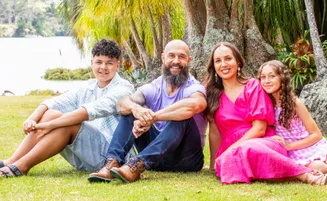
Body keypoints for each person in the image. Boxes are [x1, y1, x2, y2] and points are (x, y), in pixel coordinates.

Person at [0, 39, 136, 178]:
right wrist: (31, 119)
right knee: (51, 113)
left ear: (117, 65)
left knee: (70, 123)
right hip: (86, 153)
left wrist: (50, 125)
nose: (103, 67)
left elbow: (90, 111)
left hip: (110, 159)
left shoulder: (123, 88)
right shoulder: (88, 86)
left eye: (109, 63)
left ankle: (21, 167)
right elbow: (54, 102)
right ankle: (12, 161)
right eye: (99, 62)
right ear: (92, 63)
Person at [204, 42, 327, 185]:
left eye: (228, 58)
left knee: (249, 148)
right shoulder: (212, 94)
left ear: (238, 62)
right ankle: (297, 173)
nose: (223, 64)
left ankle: (308, 176)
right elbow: (214, 131)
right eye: (218, 61)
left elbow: (259, 129)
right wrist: (213, 162)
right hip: (232, 149)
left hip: (264, 141)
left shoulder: (253, 86)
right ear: (214, 67)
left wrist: (232, 149)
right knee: (235, 161)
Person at [88, 40, 207, 183]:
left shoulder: (193, 87)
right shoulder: (154, 86)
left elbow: (195, 104)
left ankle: (136, 165)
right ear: (163, 58)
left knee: (183, 117)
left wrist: (154, 118)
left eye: (181, 57)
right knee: (131, 111)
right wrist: (137, 110)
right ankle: (112, 163)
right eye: (171, 56)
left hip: (186, 159)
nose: (176, 61)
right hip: (157, 159)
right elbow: (121, 104)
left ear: (189, 60)